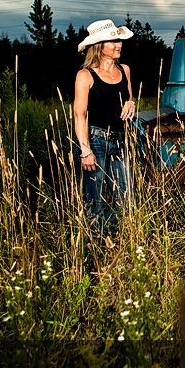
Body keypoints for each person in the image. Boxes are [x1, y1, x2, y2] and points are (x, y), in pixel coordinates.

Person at [73, 19, 136, 236]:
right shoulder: (85, 75)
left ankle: (114, 244)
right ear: (99, 46)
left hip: (120, 141)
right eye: (113, 41)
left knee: (126, 201)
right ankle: (94, 252)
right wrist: (85, 150)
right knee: (95, 204)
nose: (118, 44)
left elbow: (128, 98)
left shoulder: (125, 69)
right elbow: (79, 115)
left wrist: (131, 103)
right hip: (95, 142)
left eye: (119, 40)